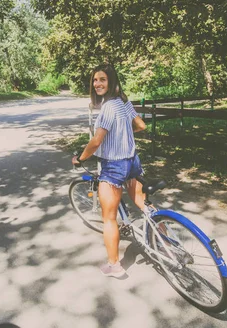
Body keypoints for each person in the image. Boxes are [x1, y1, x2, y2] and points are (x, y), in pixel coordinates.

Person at [72, 63, 147, 278]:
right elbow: (141, 126)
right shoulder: (124, 102)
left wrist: (80, 158)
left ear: (111, 81)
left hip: (114, 167)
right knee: (143, 203)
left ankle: (114, 266)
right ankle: (162, 237)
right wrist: (122, 132)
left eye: (102, 79)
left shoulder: (107, 108)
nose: (97, 84)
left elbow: (96, 142)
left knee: (109, 218)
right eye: (95, 80)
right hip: (132, 161)